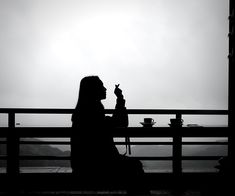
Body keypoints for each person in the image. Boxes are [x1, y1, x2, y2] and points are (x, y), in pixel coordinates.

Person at [71, 76, 150, 195]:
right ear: (93, 90)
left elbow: (110, 123)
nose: (105, 88)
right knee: (135, 166)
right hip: (96, 165)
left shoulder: (83, 110)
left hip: (83, 163)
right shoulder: (94, 109)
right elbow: (120, 122)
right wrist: (120, 98)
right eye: (101, 86)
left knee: (134, 166)